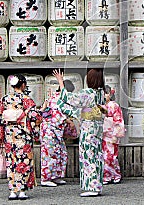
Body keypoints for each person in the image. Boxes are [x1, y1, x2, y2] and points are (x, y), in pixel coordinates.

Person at [54, 68, 106, 197]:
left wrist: (61, 82)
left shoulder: (88, 93)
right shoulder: (100, 93)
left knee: (88, 156)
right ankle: (97, 185)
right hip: (98, 127)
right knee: (97, 155)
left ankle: (91, 187)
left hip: (88, 128)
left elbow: (70, 98)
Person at [0, 74, 42, 201]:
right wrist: (35, 131)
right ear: (23, 85)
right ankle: (22, 191)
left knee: (12, 162)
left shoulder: (5, 99)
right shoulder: (27, 100)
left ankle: (12, 191)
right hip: (23, 134)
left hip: (10, 134)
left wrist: (1, 133)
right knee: (24, 161)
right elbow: (35, 117)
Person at [39, 80, 78, 187]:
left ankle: (55, 176)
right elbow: (58, 114)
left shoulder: (55, 98)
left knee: (59, 153)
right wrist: (68, 120)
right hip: (49, 130)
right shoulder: (56, 99)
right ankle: (45, 178)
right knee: (49, 154)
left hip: (56, 130)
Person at [102, 85, 125, 185]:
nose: (104, 95)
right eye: (103, 93)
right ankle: (108, 175)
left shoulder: (114, 105)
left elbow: (118, 120)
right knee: (104, 156)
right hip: (103, 134)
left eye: (106, 93)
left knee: (111, 156)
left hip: (112, 134)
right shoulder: (100, 105)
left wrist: (116, 135)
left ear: (110, 95)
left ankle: (114, 175)